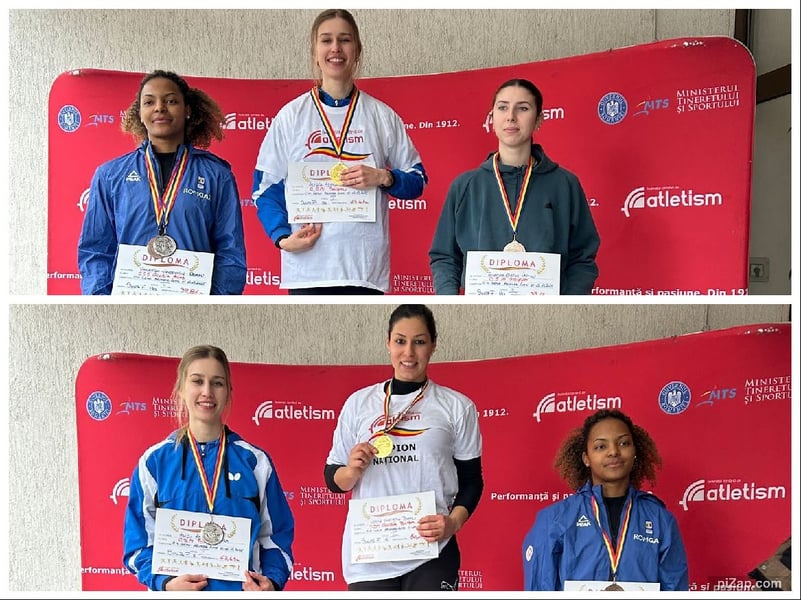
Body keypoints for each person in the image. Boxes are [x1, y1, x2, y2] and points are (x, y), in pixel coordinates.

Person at [252, 9, 427, 295]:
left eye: (344, 40)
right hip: (307, 270)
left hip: (365, 271)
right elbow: (264, 189)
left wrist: (385, 177)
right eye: (326, 40)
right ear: (315, 52)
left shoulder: (381, 115)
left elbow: (417, 180)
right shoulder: (291, 116)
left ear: (357, 50)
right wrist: (282, 237)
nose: (336, 48)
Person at [324, 305, 483, 590]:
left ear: (433, 346)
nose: (408, 352)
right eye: (400, 341)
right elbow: (333, 480)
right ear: (388, 343)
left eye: (419, 342)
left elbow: (472, 481)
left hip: (431, 551)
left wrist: (453, 523)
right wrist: (351, 471)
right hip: (369, 556)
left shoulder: (457, 406)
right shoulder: (358, 403)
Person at [123, 345, 294, 591]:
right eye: (197, 381)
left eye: (217, 383)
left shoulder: (255, 462)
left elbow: (276, 537)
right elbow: (138, 544)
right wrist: (165, 583)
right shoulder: (154, 463)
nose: (207, 392)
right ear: (181, 389)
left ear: (228, 391)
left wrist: (272, 583)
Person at [78, 70, 247, 295]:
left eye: (171, 101)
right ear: (140, 113)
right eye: (149, 102)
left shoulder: (216, 175)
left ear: (187, 110)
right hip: (130, 304)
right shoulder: (110, 175)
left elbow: (230, 252)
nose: (160, 108)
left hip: (194, 306)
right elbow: (96, 250)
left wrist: (214, 304)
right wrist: (104, 303)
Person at [429, 78, 600, 295]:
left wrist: (566, 303)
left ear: (538, 120)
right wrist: (451, 300)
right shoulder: (465, 186)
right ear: (492, 118)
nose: (511, 116)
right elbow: (445, 256)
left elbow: (582, 258)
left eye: (523, 108)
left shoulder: (565, 184)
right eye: (502, 108)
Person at [521, 409, 688, 591]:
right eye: (601, 446)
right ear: (586, 458)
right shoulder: (554, 519)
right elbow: (539, 590)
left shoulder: (660, 520)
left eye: (623, 443)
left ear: (634, 452)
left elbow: (675, 589)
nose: (614, 452)